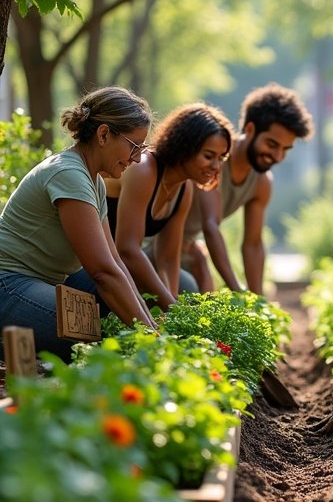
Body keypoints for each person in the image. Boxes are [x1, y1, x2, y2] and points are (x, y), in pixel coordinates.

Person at [0, 87, 157, 361]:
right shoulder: (68, 174)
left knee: (120, 306)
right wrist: (152, 340)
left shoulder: (93, 180)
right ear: (104, 134)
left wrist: (151, 329)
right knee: (88, 332)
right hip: (8, 282)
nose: (138, 158)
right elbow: (102, 272)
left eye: (142, 148)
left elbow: (114, 262)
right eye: (134, 146)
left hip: (43, 281)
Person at [180, 83, 314, 295]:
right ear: (250, 130)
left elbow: (252, 244)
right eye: (271, 144)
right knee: (191, 283)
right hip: (156, 247)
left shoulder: (261, 182)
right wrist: (238, 290)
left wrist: (256, 300)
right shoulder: (215, 160)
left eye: (285, 149)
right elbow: (210, 227)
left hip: (184, 251)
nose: (278, 157)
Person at [107, 102, 233, 311]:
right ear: (184, 147)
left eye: (222, 158)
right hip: (98, 263)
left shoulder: (184, 189)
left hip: (120, 264)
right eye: (209, 156)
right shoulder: (144, 169)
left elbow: (167, 257)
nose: (216, 166)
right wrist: (171, 305)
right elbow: (127, 249)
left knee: (186, 285)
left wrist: (170, 308)